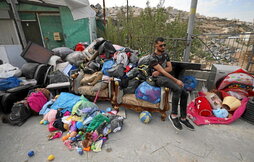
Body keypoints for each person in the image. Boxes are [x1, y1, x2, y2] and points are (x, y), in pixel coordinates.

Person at [149, 37, 195, 131]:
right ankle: (173, 115)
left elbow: (169, 69)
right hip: (157, 79)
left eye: (164, 45)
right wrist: (176, 80)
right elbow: (165, 71)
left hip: (163, 76)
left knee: (185, 93)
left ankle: (183, 118)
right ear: (156, 45)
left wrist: (159, 71)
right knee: (177, 88)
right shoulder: (152, 57)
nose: (163, 47)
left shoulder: (166, 55)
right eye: (161, 45)